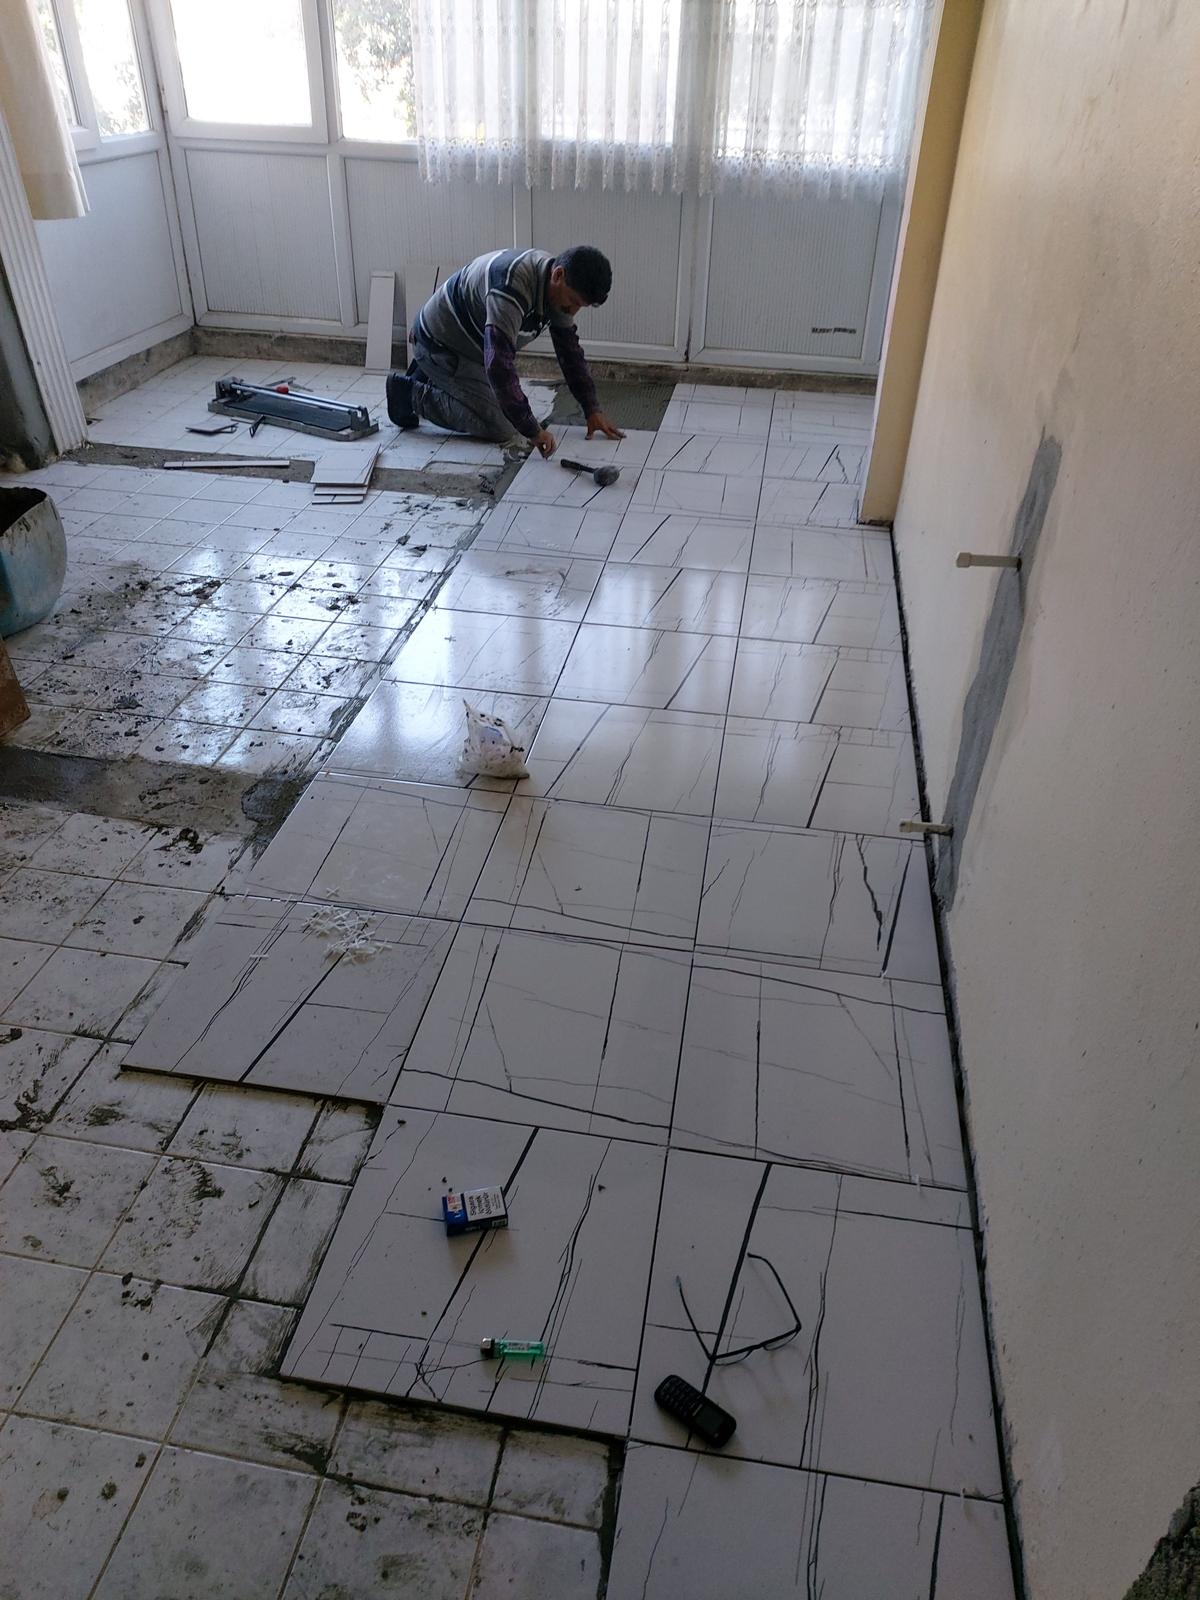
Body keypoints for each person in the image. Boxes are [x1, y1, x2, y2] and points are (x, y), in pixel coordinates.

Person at [385, 245, 624, 458]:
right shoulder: (511, 287)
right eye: (573, 302)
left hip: (470, 348)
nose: (572, 311)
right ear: (558, 275)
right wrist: (532, 431)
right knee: (502, 426)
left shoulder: (556, 286)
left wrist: (591, 409)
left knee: (510, 407)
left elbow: (569, 352)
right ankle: (408, 393)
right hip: (439, 345)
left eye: (580, 306)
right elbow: (499, 367)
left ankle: (431, 377)